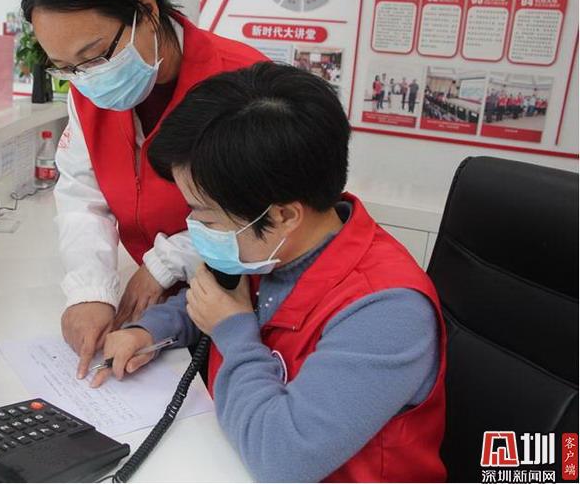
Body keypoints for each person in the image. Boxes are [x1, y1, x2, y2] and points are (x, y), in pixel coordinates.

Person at [92, 63, 446, 482]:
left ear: (283, 216)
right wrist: (149, 331)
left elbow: (282, 459)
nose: (195, 227)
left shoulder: (386, 313)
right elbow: (215, 298)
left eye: (206, 215)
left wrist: (233, 333)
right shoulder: (271, 247)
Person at [21, 0, 267, 378]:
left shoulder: (246, 83)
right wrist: (90, 290)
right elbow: (82, 194)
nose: (87, 78)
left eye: (95, 55)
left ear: (147, 10)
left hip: (241, 305)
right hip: (154, 321)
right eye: (66, 68)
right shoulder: (88, 92)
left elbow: (259, 213)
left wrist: (163, 264)